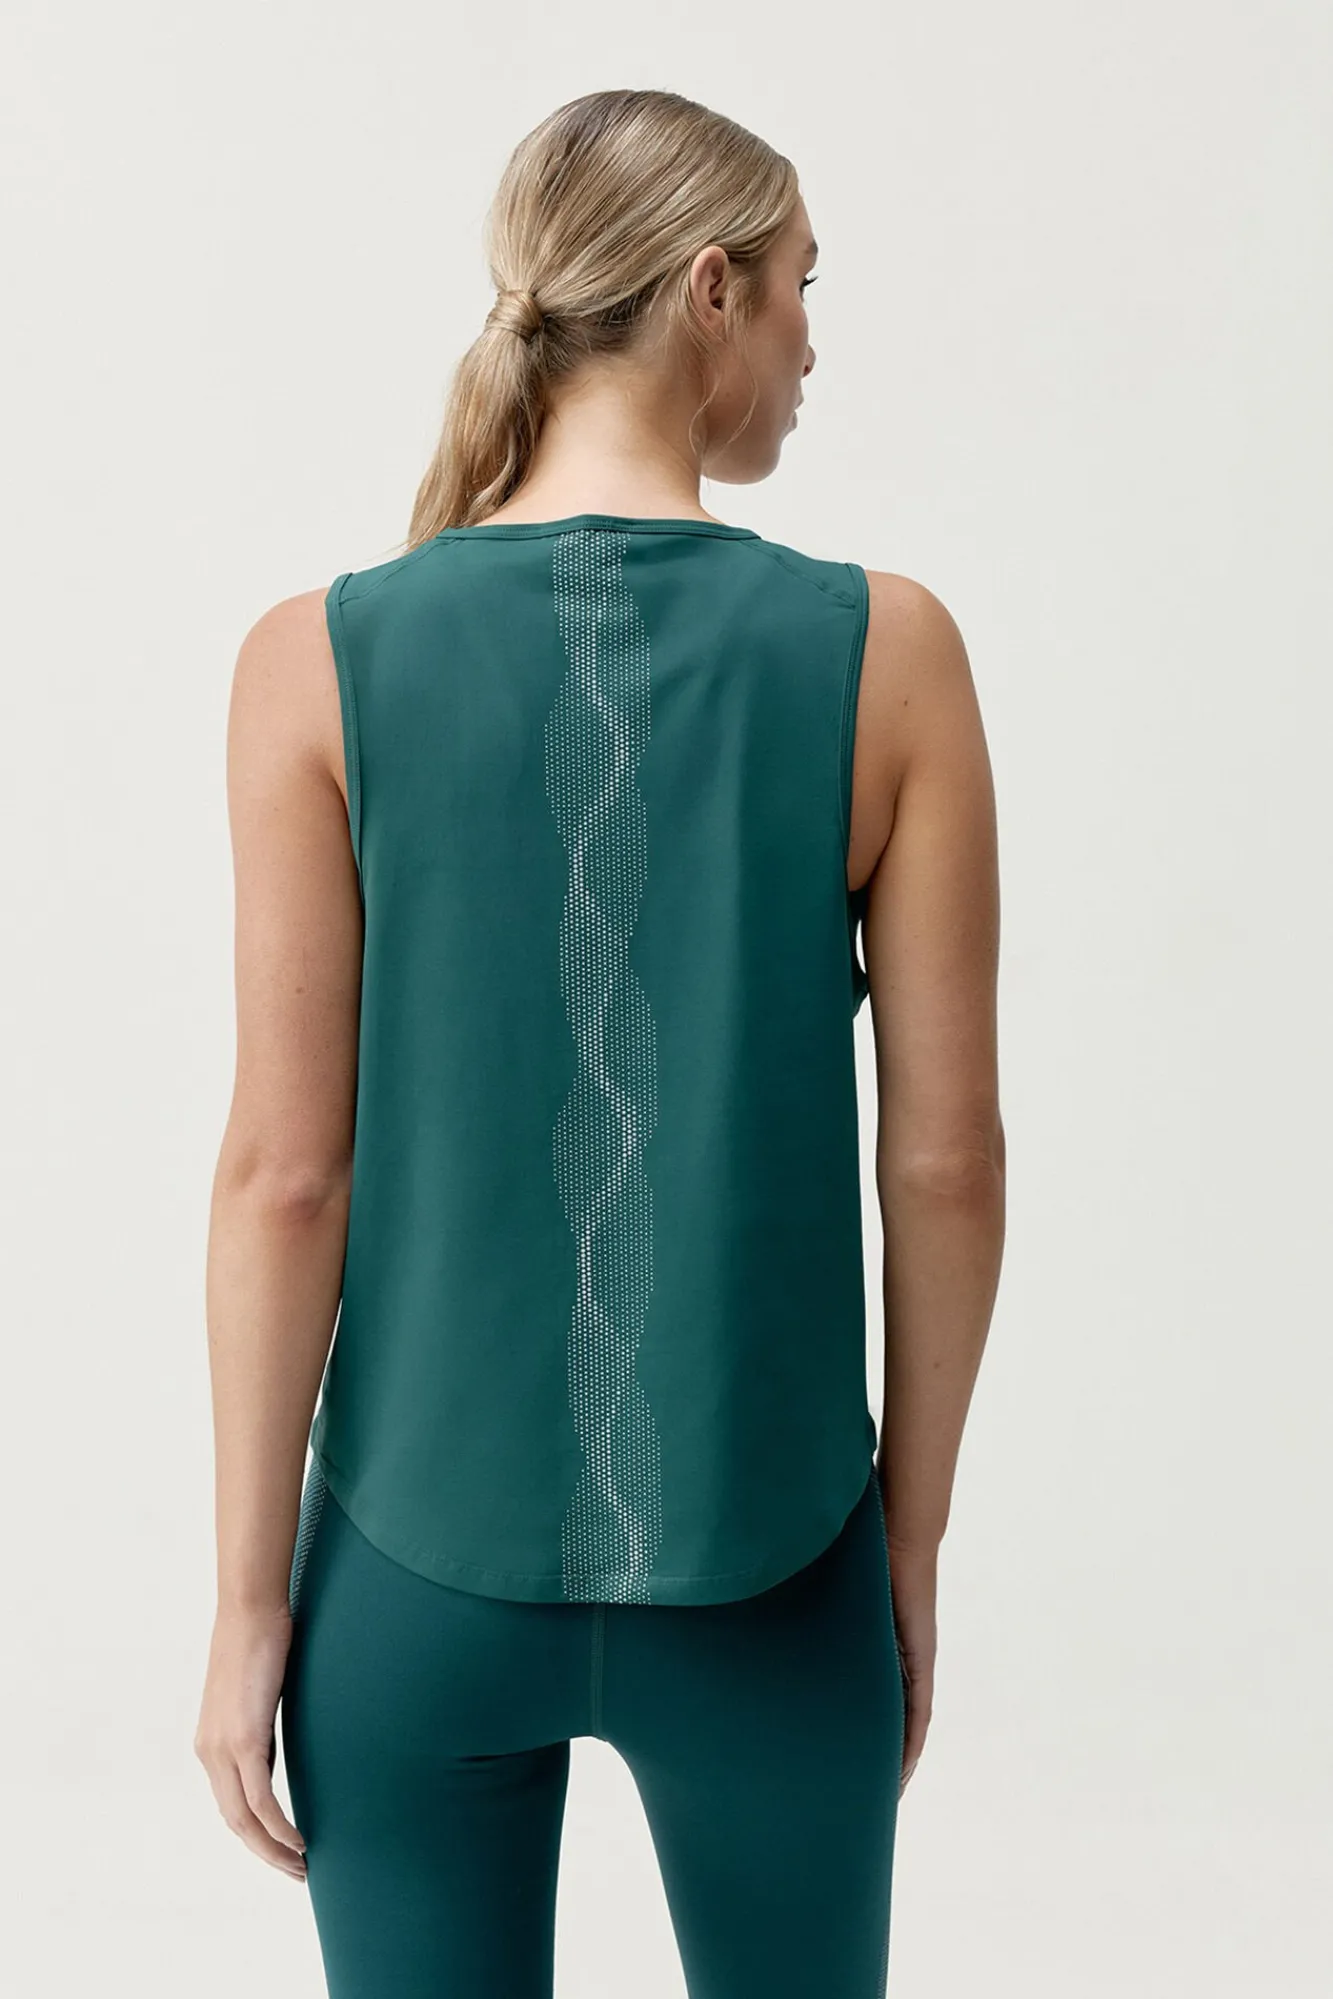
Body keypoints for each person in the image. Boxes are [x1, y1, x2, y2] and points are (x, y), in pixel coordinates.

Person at [193, 86, 1004, 1998]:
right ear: (711, 291)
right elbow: (946, 1161)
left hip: (407, 1572)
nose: (813, 342)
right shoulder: (889, 654)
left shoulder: (313, 660)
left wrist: (244, 1602)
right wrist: (907, 1545)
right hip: (776, 1559)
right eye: (802, 288)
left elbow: (286, 1175)